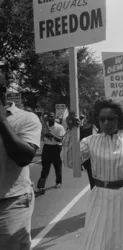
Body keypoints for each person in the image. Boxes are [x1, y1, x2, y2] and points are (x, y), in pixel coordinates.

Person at [61, 99, 123, 250]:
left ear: (119, 119)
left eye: (111, 118)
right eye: (102, 119)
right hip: (100, 196)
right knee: (98, 238)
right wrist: (69, 132)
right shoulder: (89, 141)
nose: (106, 122)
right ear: (97, 120)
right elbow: (70, 162)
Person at [0, 73, 42, 249]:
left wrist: (2, 120)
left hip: (11, 202)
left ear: (2, 92)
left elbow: (24, 157)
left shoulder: (26, 119)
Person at [36, 112, 66, 194]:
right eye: (49, 117)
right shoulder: (44, 127)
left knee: (57, 167)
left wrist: (51, 135)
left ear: (55, 117)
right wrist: (44, 134)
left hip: (56, 148)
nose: (50, 118)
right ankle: (41, 186)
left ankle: (58, 182)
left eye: (52, 117)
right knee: (45, 169)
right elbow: (42, 139)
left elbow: (60, 140)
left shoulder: (59, 127)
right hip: (47, 148)